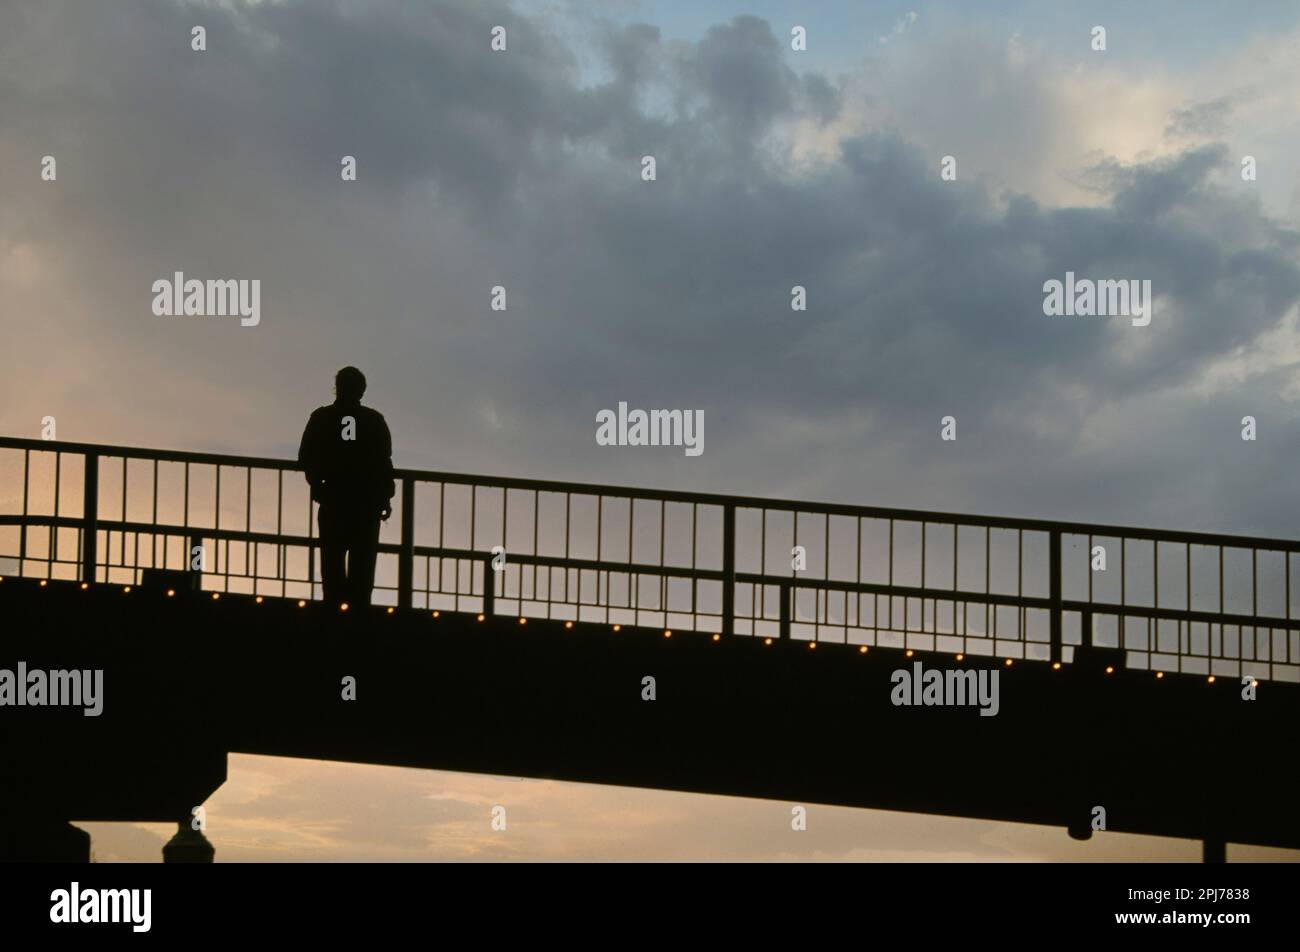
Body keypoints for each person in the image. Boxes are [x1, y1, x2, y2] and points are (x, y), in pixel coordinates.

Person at [297, 367, 395, 608]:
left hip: (333, 501)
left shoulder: (321, 418)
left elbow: (305, 457)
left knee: (332, 569)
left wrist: (318, 482)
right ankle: (358, 623)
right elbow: (384, 464)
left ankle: (332, 620)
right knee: (363, 572)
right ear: (361, 391)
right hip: (365, 506)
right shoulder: (374, 421)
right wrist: (384, 498)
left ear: (337, 387)